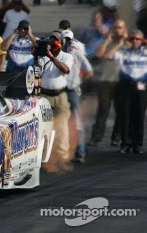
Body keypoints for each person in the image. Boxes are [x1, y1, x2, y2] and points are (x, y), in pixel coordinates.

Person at [34, 30, 74, 173]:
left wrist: (51, 56)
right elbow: (36, 70)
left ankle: (63, 157)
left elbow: (66, 70)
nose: (53, 43)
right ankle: (44, 156)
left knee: (62, 126)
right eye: (51, 41)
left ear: (61, 43)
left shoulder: (66, 56)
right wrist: (36, 56)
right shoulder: (44, 56)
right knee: (43, 127)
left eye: (55, 41)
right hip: (44, 95)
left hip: (60, 95)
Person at [104, 30, 147, 154]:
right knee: (125, 115)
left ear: (141, 41)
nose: (134, 41)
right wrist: (119, 44)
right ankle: (125, 143)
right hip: (125, 86)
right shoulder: (124, 53)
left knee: (139, 115)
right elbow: (107, 56)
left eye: (137, 39)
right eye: (132, 39)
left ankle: (137, 143)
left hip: (141, 86)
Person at [89, 18, 128, 147]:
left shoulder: (128, 43)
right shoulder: (108, 41)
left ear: (124, 29)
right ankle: (96, 137)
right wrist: (108, 40)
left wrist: (123, 43)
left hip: (121, 81)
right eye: (115, 27)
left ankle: (116, 137)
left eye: (120, 28)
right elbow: (99, 54)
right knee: (102, 110)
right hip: (106, 81)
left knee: (121, 111)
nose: (117, 30)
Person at [62, 29, 94, 164]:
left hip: (73, 90)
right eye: (65, 40)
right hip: (60, 91)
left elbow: (89, 71)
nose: (67, 42)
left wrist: (79, 81)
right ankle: (65, 153)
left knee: (77, 121)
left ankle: (80, 152)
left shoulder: (77, 53)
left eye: (69, 39)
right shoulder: (59, 54)